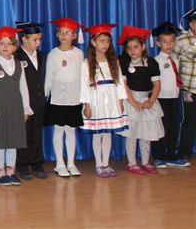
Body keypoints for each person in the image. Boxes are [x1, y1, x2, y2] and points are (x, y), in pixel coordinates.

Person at [0, 26, 33, 186]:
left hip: (15, 109)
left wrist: (26, 108)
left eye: (9, 43)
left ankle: (11, 171)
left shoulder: (19, 64)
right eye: (1, 43)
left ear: (14, 47)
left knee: (13, 141)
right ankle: (0, 172)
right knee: (0, 141)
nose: (5, 46)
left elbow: (23, 88)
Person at [79, 24, 128, 178]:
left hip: (111, 100)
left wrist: (121, 101)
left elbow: (120, 82)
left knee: (107, 133)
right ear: (93, 42)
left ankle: (106, 163)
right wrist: (87, 105)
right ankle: (99, 164)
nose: (105, 44)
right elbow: (84, 85)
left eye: (107, 41)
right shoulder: (86, 63)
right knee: (97, 133)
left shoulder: (114, 61)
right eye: (101, 41)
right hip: (96, 100)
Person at [117, 26, 164, 174]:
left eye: (136, 47)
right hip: (131, 100)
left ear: (143, 47)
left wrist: (150, 101)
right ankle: (132, 163)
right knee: (132, 134)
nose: (132, 50)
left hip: (147, 100)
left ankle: (145, 161)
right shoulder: (123, 62)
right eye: (129, 48)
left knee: (146, 133)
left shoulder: (151, 62)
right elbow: (124, 85)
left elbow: (157, 84)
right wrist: (134, 102)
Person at [44, 18, 85, 177]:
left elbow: (82, 77)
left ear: (74, 36)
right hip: (58, 98)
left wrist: (83, 97)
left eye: (68, 32)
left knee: (71, 131)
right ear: (57, 35)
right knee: (59, 130)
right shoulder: (53, 54)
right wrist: (45, 95)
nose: (64, 35)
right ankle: (59, 163)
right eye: (61, 32)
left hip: (74, 98)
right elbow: (49, 77)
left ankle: (71, 163)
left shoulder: (79, 54)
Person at [151, 21, 189, 167]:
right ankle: (158, 156)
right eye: (164, 41)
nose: (169, 44)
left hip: (174, 97)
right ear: (158, 43)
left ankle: (171, 155)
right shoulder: (156, 61)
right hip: (161, 98)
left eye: (172, 41)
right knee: (161, 128)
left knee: (173, 127)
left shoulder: (177, 59)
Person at [14, 21, 47, 180]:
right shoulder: (16, 56)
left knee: (37, 133)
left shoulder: (41, 55)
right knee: (24, 134)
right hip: (22, 102)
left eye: (39, 39)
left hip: (39, 101)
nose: (38, 43)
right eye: (34, 40)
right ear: (24, 39)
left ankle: (36, 163)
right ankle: (22, 165)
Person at [175, 8, 196, 162]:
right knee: (189, 120)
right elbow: (173, 62)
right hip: (190, 88)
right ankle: (184, 151)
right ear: (191, 24)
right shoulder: (181, 40)